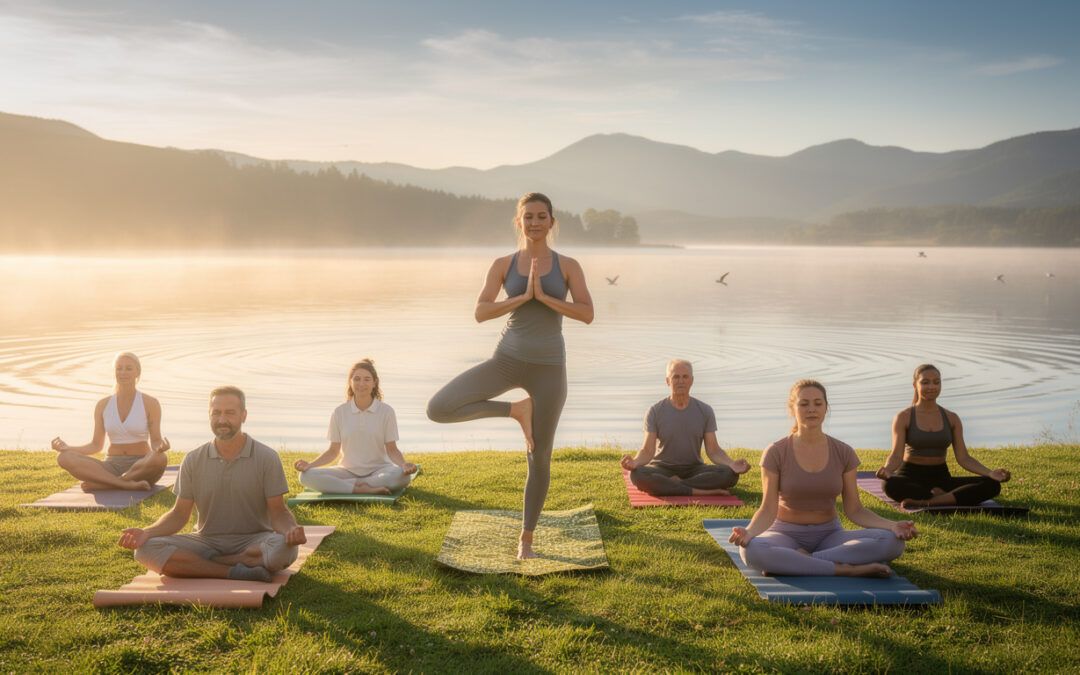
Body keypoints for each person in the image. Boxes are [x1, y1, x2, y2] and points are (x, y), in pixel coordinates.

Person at [427, 192, 594, 559]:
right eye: (528, 216)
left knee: (539, 456)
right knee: (439, 408)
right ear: (518, 222)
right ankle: (516, 410)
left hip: (549, 368)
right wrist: (521, 298)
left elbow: (586, 313)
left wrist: (545, 298)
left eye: (541, 216)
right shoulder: (503, 264)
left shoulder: (568, 265)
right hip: (506, 360)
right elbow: (481, 312)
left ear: (552, 222)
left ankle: (526, 539)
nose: (534, 222)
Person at [118, 386, 306, 583]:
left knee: (284, 548)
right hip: (205, 540)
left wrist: (290, 531)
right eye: (216, 413)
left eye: (229, 413)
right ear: (209, 415)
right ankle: (234, 571)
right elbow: (179, 515)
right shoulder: (193, 459)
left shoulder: (267, 457)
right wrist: (147, 533)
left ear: (243, 416)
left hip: (255, 541)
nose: (222, 420)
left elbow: (278, 512)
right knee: (145, 550)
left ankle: (213, 562)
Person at [729, 380, 917, 577]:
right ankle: (845, 569)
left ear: (826, 407)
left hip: (830, 535)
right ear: (792, 409)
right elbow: (768, 509)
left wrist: (892, 526)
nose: (811, 409)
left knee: (893, 542)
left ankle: (799, 561)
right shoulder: (776, 452)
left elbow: (855, 510)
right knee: (751, 550)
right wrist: (750, 532)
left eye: (818, 403)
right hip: (784, 535)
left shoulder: (844, 452)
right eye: (804, 404)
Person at [876, 363, 1011, 508]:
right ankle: (946, 497)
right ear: (915, 385)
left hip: (942, 478)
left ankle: (928, 500)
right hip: (911, 476)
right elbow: (896, 456)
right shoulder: (903, 417)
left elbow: (964, 458)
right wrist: (887, 469)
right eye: (925, 382)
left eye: (936, 382)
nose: (932, 387)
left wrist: (990, 473)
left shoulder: (952, 418)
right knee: (889, 484)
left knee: (992, 484)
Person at [621, 359, 750, 495]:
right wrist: (635, 462)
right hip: (662, 468)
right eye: (676, 377)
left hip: (694, 469)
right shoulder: (654, 411)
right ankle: (699, 491)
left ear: (692, 380)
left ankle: (673, 485)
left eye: (685, 377)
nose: (681, 381)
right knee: (637, 474)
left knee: (730, 474)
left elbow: (713, 450)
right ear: (668, 381)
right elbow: (647, 451)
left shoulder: (705, 410)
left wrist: (731, 463)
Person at [294, 359, 417, 495]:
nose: (361, 384)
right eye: (357, 379)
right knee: (306, 476)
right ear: (350, 382)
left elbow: (392, 449)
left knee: (402, 476)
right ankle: (360, 489)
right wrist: (310, 465)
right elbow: (333, 451)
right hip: (347, 470)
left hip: (380, 470)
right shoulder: (339, 412)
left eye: (367, 379)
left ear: (374, 383)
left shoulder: (386, 411)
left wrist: (403, 464)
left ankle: (347, 486)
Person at [51, 352, 169, 491]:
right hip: (110, 466)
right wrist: (68, 448)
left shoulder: (150, 403)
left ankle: (108, 483)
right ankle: (124, 484)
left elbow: (156, 441)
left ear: (137, 372)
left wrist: (160, 448)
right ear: (114, 372)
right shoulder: (103, 405)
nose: (123, 372)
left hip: (141, 465)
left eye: (128, 368)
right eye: (119, 368)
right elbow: (96, 445)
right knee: (64, 457)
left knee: (160, 458)